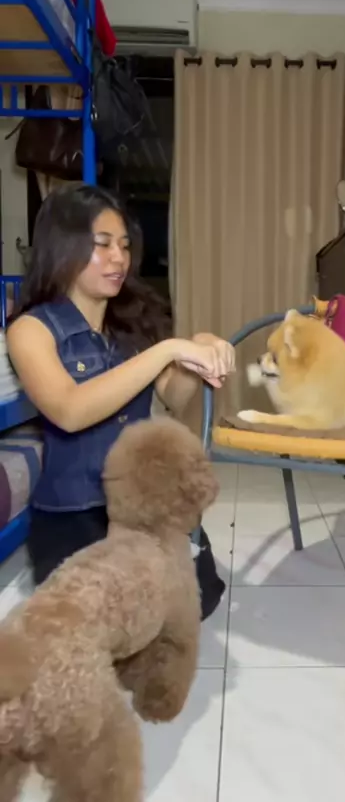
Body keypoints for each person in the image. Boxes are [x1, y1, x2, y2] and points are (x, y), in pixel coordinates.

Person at [7, 184, 235, 620]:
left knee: (197, 599)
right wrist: (168, 350)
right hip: (74, 510)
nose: (119, 258)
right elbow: (69, 411)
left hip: (141, 500)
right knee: (102, 618)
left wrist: (200, 352)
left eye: (125, 246)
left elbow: (174, 395)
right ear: (64, 246)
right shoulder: (31, 330)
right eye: (103, 244)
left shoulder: (133, 322)